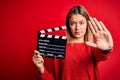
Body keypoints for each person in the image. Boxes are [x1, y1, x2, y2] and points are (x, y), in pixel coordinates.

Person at [32, 5, 113, 80]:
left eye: (81, 23)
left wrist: (106, 50)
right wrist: (41, 69)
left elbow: (102, 56)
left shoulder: (93, 47)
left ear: (87, 24)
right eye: (73, 23)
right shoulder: (58, 47)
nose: (77, 28)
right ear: (68, 26)